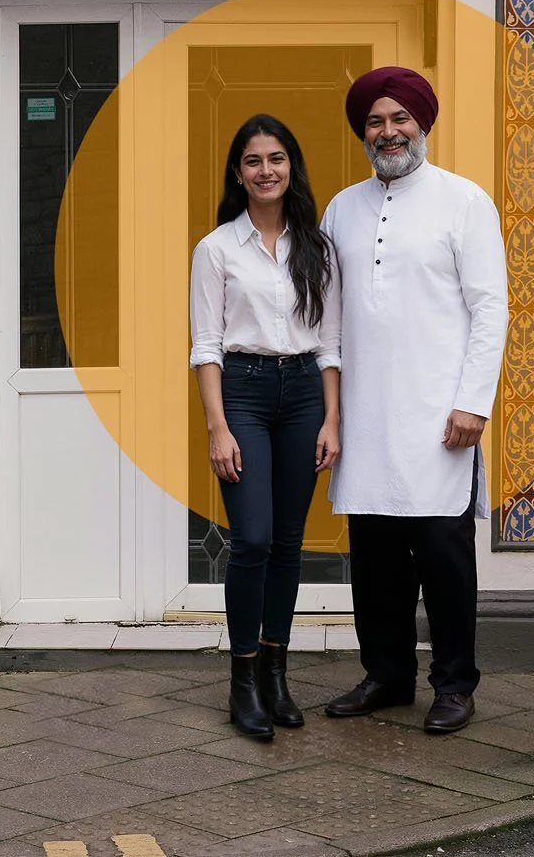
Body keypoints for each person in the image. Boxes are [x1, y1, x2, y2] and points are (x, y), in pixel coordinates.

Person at [319, 67, 508, 734]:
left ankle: (455, 684)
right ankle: (387, 675)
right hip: (367, 420)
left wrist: (473, 403)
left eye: (400, 118)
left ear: (423, 123)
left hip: (440, 420)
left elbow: (491, 311)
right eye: (375, 121)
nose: (388, 131)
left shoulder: (464, 202)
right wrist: (332, 413)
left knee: (444, 558)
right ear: (363, 133)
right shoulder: (341, 208)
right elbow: (327, 319)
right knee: (373, 562)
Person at [189, 113, 342, 740]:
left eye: (276, 159)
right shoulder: (216, 248)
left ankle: (278, 674)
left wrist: (332, 417)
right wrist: (217, 427)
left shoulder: (318, 247)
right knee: (250, 538)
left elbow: (331, 340)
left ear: (291, 166)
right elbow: (206, 346)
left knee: (287, 541)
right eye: (254, 161)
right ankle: (243, 679)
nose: (266, 171)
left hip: (305, 392)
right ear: (238, 172)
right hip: (245, 394)